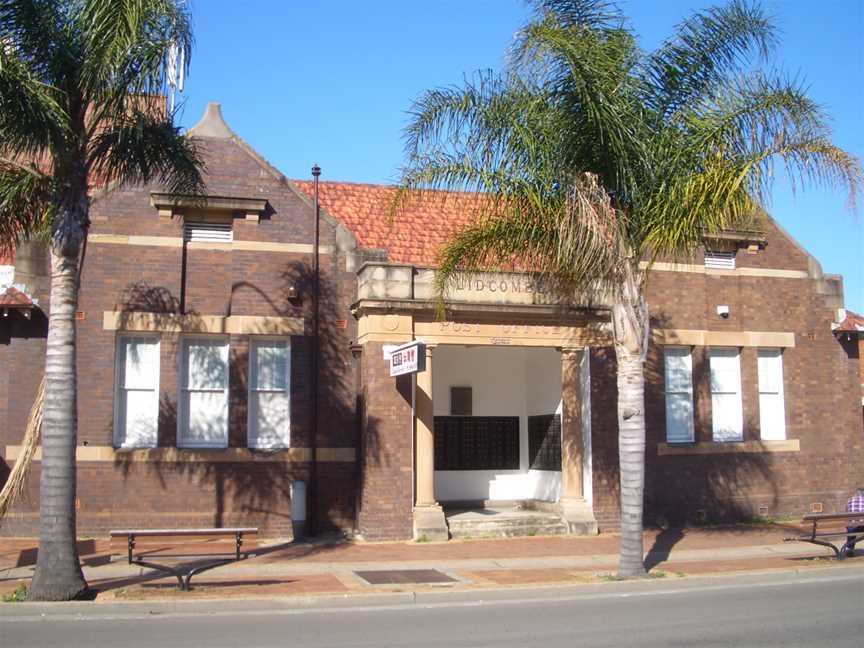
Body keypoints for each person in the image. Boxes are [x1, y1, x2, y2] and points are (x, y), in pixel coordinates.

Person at [845, 486, 864, 557]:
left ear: (857, 493)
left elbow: (846, 513)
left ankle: (849, 548)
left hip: (853, 527)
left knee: (851, 527)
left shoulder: (850, 500)